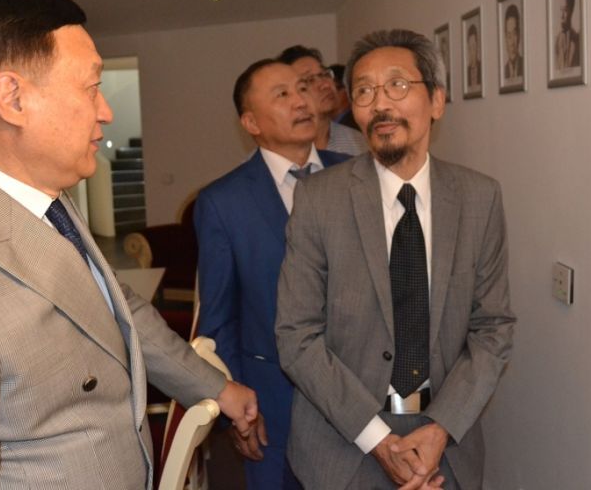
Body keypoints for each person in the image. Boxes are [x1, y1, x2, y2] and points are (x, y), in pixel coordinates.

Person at [0, 0, 259, 489]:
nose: (105, 110)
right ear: (13, 99)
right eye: (90, 87)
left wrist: (216, 387)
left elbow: (115, 309)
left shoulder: (49, 200)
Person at [276, 29, 515, 489]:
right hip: (343, 445)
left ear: (437, 101)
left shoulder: (479, 197)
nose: (380, 104)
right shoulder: (318, 199)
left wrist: (441, 428)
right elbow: (296, 336)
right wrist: (378, 439)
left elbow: (493, 327)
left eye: (397, 85)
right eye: (364, 91)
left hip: (446, 445)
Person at [195, 58, 349, 489]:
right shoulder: (223, 202)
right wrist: (239, 409)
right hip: (275, 404)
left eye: (302, 88)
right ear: (251, 123)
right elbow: (219, 319)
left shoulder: (357, 176)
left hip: (359, 399)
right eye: (282, 94)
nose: (300, 100)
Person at [278, 44, 367, 155]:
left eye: (324, 74)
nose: (325, 85)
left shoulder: (358, 142)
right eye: (310, 80)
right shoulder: (279, 149)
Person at [554, 0, 581, 70]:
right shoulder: (556, 42)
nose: (561, 16)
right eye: (560, 10)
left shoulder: (578, 41)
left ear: (571, 11)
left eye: (565, 10)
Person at [330, 63, 361, 131]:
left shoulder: (354, 126)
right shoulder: (325, 124)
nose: (328, 94)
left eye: (336, 88)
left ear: (348, 90)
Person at [503, 4, 524, 81]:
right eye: (509, 36)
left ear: (519, 35)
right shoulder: (503, 71)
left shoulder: (524, 65)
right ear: (505, 38)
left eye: (514, 34)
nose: (512, 43)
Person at [465, 24, 482, 93]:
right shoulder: (466, 72)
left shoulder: (481, 68)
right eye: (470, 47)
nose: (472, 52)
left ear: (477, 47)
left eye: (474, 46)